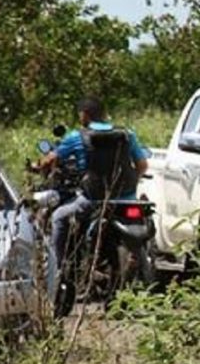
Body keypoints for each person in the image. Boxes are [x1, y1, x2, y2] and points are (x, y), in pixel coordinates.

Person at [36, 98, 149, 267]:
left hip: (94, 200)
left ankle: (57, 269)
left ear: (84, 115)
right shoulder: (127, 134)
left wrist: (40, 168)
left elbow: (50, 160)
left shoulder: (76, 137)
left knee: (58, 217)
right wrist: (131, 183)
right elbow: (142, 165)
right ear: (104, 114)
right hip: (127, 199)